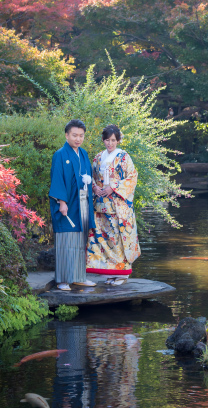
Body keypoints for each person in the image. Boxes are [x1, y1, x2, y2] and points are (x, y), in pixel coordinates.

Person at [87, 124, 140, 285]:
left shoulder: (124, 157)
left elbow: (132, 177)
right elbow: (92, 176)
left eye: (113, 140)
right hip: (101, 204)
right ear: (103, 140)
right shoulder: (98, 157)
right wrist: (95, 187)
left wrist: (113, 187)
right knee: (104, 239)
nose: (110, 143)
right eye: (107, 140)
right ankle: (110, 273)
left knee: (118, 238)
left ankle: (122, 274)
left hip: (118, 205)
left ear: (118, 141)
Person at [48, 119, 96, 291]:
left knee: (79, 241)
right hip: (67, 203)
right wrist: (62, 202)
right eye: (74, 135)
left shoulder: (83, 153)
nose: (78, 139)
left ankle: (79, 276)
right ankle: (63, 279)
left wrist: (90, 182)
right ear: (67, 135)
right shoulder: (60, 154)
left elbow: (86, 175)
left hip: (82, 202)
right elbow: (58, 179)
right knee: (66, 240)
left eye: (81, 135)